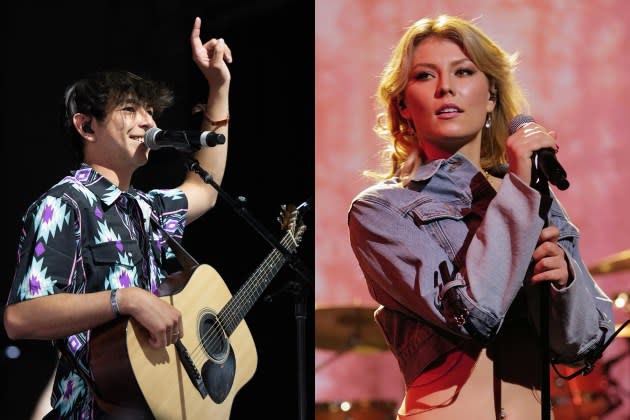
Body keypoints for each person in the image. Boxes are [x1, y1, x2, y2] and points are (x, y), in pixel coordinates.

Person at [347, 15, 615, 419]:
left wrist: (563, 285)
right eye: (424, 75)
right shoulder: (380, 209)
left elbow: (583, 344)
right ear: (403, 103)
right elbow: (476, 314)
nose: (446, 88)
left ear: (491, 95)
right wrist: (520, 191)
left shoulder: (529, 193)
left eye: (464, 71)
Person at [3, 17, 231, 419]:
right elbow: (21, 317)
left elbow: (205, 192)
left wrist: (218, 88)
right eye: (130, 110)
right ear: (86, 126)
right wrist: (125, 299)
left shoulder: (144, 209)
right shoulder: (65, 203)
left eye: (150, 111)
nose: (148, 122)